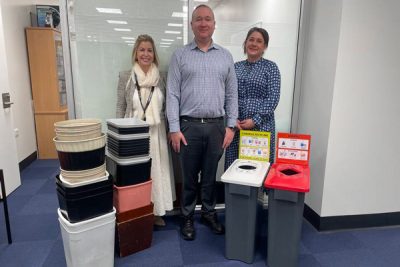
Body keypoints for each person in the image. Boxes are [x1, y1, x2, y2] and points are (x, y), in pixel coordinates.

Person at [166, 4, 238, 241]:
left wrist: (230, 126)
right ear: (192, 24)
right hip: (189, 127)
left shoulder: (225, 56)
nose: (204, 23)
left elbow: (231, 95)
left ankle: (208, 212)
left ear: (214, 24)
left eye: (208, 19)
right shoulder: (180, 55)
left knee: (209, 176)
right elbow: (172, 94)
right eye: (199, 19)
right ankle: (186, 216)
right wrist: (174, 128)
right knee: (188, 177)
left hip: (217, 126)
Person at [116, 34, 175, 226]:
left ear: (154, 54)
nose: (146, 54)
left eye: (149, 50)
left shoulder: (161, 77)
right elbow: (120, 106)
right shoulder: (126, 76)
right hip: (132, 134)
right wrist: (117, 134)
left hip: (156, 134)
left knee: (156, 172)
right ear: (135, 53)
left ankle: (156, 212)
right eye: (142, 50)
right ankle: (136, 212)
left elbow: (167, 106)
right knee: (135, 174)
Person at [225, 27, 281, 170]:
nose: (254, 44)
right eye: (251, 39)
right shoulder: (235, 67)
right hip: (237, 127)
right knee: (235, 168)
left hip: (261, 127)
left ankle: (259, 193)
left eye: (259, 41)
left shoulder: (271, 68)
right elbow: (227, 94)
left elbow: (273, 98)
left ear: (265, 46)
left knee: (257, 169)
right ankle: (234, 193)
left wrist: (255, 120)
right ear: (245, 43)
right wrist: (232, 119)